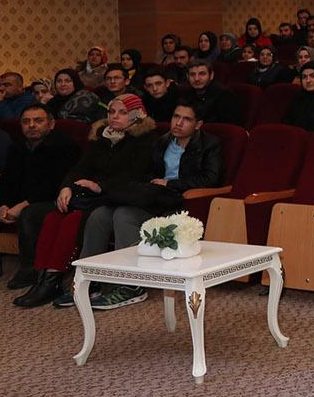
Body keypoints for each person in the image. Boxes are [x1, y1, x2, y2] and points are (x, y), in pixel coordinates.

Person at [76, 102, 224, 309]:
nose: (178, 123)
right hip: (153, 197)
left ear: (198, 124)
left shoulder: (210, 144)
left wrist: (170, 184)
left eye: (186, 119)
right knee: (101, 214)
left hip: (180, 201)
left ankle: (132, 285)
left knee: (124, 215)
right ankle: (89, 280)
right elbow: (145, 172)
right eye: (176, 116)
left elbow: (210, 179)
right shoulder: (162, 141)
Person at [14, 95, 157, 308]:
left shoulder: (146, 139)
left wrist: (99, 186)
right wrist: (66, 186)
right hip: (95, 195)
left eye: (122, 112)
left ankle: (64, 279)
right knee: (54, 217)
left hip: (121, 196)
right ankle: (45, 278)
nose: (115, 116)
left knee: (76, 220)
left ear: (137, 116)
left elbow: (136, 175)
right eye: (111, 111)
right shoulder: (102, 136)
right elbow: (81, 167)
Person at [0, 104, 80, 287]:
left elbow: (55, 184)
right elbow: (6, 181)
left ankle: (30, 269)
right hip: (21, 200)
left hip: (54, 200)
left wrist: (23, 205)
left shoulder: (65, 146)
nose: (31, 125)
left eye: (38, 120)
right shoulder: (17, 147)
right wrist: (3, 205)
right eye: (26, 122)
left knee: (29, 214)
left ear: (51, 124)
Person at [182, 61, 241, 126]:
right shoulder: (186, 93)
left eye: (202, 74)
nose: (196, 79)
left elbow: (227, 126)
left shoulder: (224, 95)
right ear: (187, 77)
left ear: (211, 75)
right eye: (192, 74)